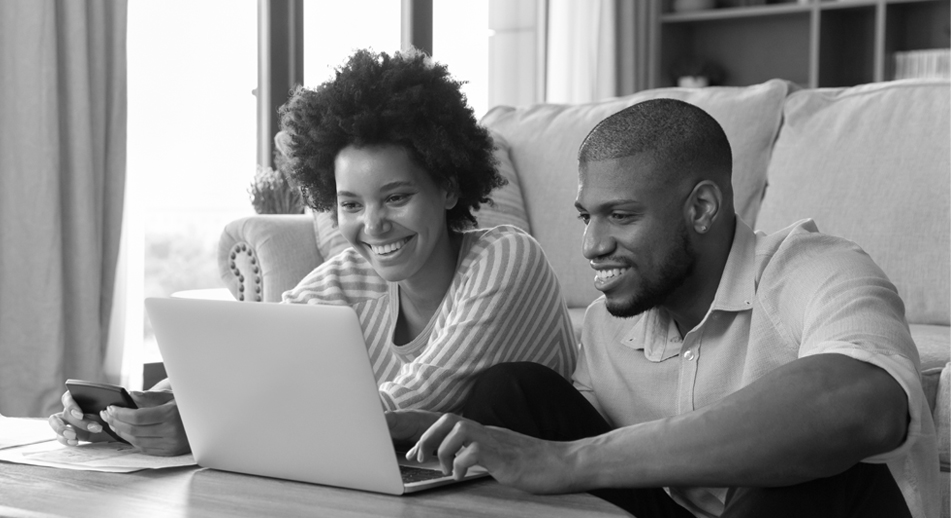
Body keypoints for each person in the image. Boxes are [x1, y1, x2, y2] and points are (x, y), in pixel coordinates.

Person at [390, 99, 939, 517]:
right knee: (510, 391)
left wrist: (566, 462)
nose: (591, 246)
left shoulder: (821, 270)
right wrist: (429, 430)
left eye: (621, 216)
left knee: (794, 466)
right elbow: (568, 434)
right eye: (587, 217)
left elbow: (863, 405)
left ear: (701, 207)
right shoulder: (611, 320)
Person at [48, 48, 577, 456]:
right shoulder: (350, 273)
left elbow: (407, 403)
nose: (373, 226)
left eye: (396, 197)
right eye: (351, 203)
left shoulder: (507, 260)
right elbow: (245, 358)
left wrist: (203, 427)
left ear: (449, 189)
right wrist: (138, 408)